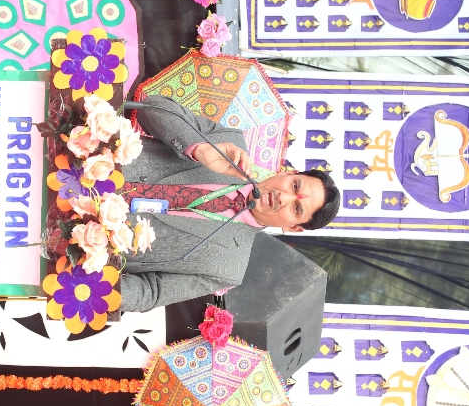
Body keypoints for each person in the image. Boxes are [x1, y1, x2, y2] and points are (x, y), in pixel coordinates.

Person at [120, 95, 339, 312]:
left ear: (293, 227)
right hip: (103, 160)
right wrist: (198, 148)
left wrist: (103, 289)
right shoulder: (229, 145)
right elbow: (150, 108)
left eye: (296, 208)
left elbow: (150, 292)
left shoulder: (227, 269)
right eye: (294, 186)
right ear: (288, 173)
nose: (284, 197)